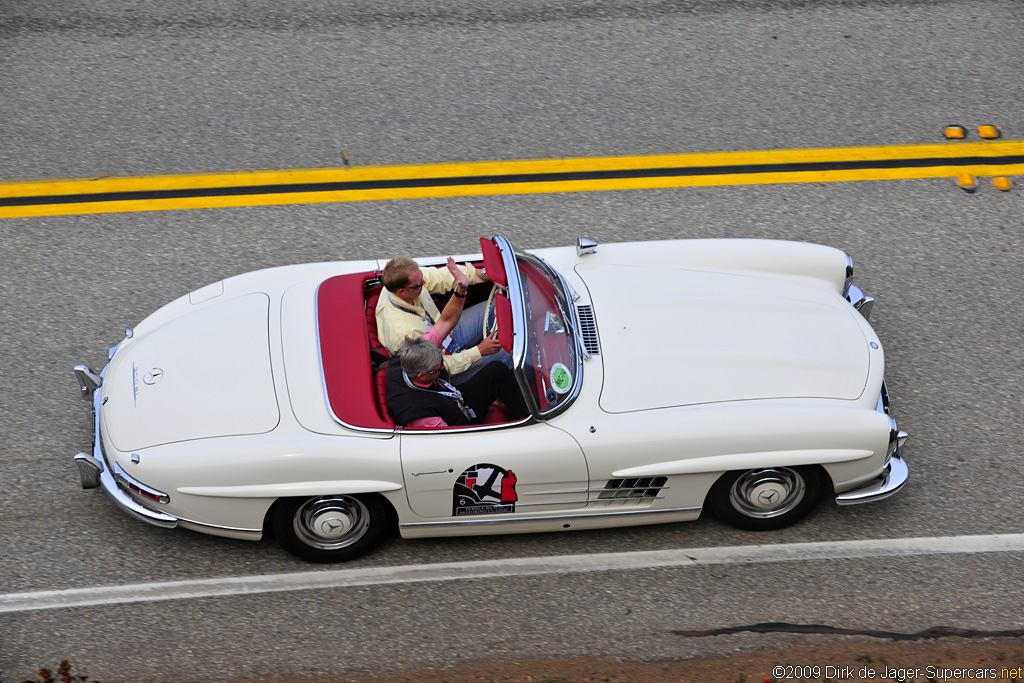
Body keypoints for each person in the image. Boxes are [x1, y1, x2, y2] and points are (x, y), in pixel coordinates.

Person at [374, 255, 511, 383]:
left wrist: (483, 274)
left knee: (495, 307)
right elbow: (435, 367)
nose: (425, 282)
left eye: (422, 277)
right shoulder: (404, 335)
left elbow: (440, 277)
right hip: (444, 367)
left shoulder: (404, 281)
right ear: (401, 292)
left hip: (447, 335)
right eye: (419, 284)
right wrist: (478, 352)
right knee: (509, 353)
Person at [386, 337, 529, 429]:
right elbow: (452, 439)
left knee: (497, 370)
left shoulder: (403, 359)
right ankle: (528, 426)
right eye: (437, 369)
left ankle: (527, 413)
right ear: (421, 375)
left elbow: (436, 332)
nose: (442, 368)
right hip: (461, 425)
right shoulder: (422, 417)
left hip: (455, 401)